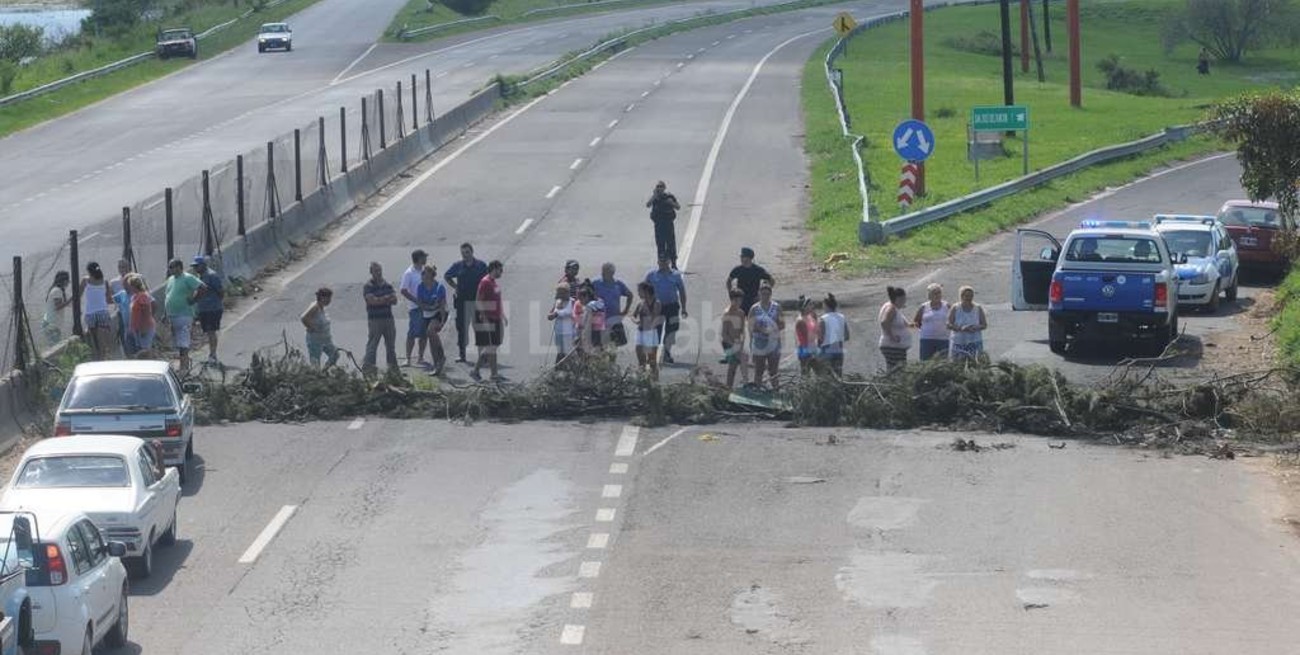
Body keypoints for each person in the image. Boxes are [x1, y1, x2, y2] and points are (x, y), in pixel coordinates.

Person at [444, 243, 489, 364]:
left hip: (477, 302)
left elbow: (488, 281)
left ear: (472, 252)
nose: (465, 255)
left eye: (467, 252)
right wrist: (456, 287)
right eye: (463, 253)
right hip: (462, 302)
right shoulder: (458, 266)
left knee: (479, 328)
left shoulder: (481, 265)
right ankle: (462, 355)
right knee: (462, 329)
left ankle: (483, 355)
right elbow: (447, 276)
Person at [164, 258, 206, 371]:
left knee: (183, 342)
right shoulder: (171, 279)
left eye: (172, 267)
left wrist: (193, 300)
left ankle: (184, 367)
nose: (170, 269)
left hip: (184, 314)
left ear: (179, 267)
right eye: (169, 267)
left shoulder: (187, 278)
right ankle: (181, 365)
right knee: (177, 342)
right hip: (172, 315)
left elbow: (202, 288)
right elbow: (168, 296)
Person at [645, 257, 687, 364]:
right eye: (660, 261)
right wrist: (646, 305)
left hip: (672, 306)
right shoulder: (651, 275)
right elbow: (644, 290)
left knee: (671, 331)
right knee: (655, 332)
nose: (662, 263)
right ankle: (652, 355)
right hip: (657, 307)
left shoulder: (676, 275)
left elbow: (682, 291)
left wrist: (684, 308)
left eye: (665, 261)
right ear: (658, 262)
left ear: (669, 262)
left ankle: (667, 353)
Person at [472, 260, 507, 382]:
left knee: (493, 346)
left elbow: (497, 300)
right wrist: (484, 317)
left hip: (496, 317)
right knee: (491, 347)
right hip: (489, 319)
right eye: (500, 270)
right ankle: (490, 373)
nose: (501, 272)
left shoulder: (493, 282)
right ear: (494, 268)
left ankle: (484, 372)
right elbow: (478, 301)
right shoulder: (485, 282)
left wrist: (502, 314)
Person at [362, 261, 400, 375]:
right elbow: (372, 301)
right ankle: (369, 368)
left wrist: (381, 299)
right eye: (376, 271)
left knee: (390, 345)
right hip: (375, 320)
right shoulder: (368, 286)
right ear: (371, 272)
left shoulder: (387, 284)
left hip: (388, 319)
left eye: (379, 270)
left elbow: (395, 300)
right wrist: (386, 298)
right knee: (373, 344)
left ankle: (393, 369)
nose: (378, 273)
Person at [748, 281, 784, 390]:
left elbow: (782, 324)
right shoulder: (754, 308)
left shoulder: (776, 307)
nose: (765, 296)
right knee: (759, 370)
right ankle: (757, 391)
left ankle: (776, 392)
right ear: (759, 294)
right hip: (759, 343)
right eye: (763, 294)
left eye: (767, 294)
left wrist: (773, 329)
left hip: (773, 343)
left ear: (771, 294)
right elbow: (750, 326)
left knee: (773, 370)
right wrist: (760, 329)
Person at [592, 263, 633, 350]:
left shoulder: (618, 284)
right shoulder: (596, 283)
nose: (603, 274)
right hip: (600, 319)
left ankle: (611, 362)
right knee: (599, 345)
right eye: (603, 272)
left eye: (606, 272)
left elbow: (630, 295)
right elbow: (585, 295)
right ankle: (601, 362)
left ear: (612, 273)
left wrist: (625, 310)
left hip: (614, 318)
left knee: (614, 344)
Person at [192, 256, 224, 365]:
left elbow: (220, 291)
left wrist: (215, 301)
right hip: (203, 308)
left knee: (211, 331)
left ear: (203, 265)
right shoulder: (199, 276)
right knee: (207, 331)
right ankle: (211, 353)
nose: (195, 268)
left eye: (197, 266)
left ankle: (213, 354)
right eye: (194, 266)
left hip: (213, 308)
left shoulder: (211, 275)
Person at [399, 249, 429, 367]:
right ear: (419, 259)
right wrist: (416, 301)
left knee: (424, 333)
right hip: (415, 308)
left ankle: (420, 357)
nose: (426, 259)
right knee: (412, 333)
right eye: (424, 257)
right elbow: (403, 290)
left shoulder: (425, 271)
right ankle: (408, 358)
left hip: (426, 306)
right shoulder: (409, 273)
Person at [417, 265, 448, 375]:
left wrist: (442, 322)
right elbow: (420, 304)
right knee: (431, 338)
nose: (421, 275)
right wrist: (428, 307)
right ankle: (437, 365)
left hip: (439, 313)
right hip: (427, 314)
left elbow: (442, 306)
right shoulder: (420, 286)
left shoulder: (439, 287)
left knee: (430, 331)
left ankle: (441, 356)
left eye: (424, 273)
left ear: (430, 275)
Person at [80, 262, 113, 361]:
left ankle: (97, 358)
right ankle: (104, 358)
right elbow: (108, 299)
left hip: (90, 314)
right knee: (104, 341)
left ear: (89, 271)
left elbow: (78, 294)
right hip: (103, 312)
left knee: (94, 341)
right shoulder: (105, 282)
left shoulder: (86, 280)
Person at [300, 287, 339, 368]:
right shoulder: (315, 307)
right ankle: (317, 377)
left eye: (330, 298)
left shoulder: (322, 308)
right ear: (321, 297)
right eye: (327, 298)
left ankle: (324, 372)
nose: (329, 301)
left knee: (335, 355)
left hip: (326, 340)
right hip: (315, 340)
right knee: (315, 363)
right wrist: (312, 328)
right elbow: (304, 318)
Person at [727, 247, 774, 313]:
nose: (741, 259)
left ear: (749, 258)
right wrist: (731, 294)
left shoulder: (758, 270)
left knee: (754, 320)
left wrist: (762, 293)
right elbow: (729, 281)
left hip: (754, 299)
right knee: (740, 319)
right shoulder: (737, 270)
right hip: (741, 300)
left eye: (743, 257)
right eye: (741, 257)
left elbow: (771, 280)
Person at [947, 285, 988, 362]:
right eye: (966, 296)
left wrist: (975, 327)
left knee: (974, 363)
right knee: (957, 364)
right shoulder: (955, 308)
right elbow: (948, 324)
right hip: (958, 342)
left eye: (971, 296)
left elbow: (984, 325)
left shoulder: (978, 308)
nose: (969, 298)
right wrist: (961, 328)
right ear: (961, 296)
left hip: (974, 341)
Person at [646, 181, 681, 268]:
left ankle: (673, 263)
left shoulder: (669, 196)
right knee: (660, 245)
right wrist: (654, 196)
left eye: (661, 187)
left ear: (664, 188)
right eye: (658, 187)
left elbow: (678, 207)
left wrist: (671, 203)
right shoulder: (655, 198)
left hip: (668, 224)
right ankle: (661, 263)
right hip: (658, 225)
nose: (659, 188)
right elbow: (648, 205)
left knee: (671, 244)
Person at [632, 281, 661, 381]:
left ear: (646, 291)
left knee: (652, 361)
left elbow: (655, 317)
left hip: (650, 334)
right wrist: (636, 321)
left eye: (640, 291)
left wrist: (645, 319)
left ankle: (655, 382)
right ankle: (642, 380)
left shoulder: (656, 303)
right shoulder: (640, 303)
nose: (638, 294)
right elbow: (633, 315)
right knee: (641, 359)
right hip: (640, 332)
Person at [878, 286, 912, 371]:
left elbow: (907, 324)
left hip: (896, 347)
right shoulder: (891, 308)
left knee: (896, 370)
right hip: (892, 346)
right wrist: (892, 337)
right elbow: (884, 322)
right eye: (903, 299)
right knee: (896, 371)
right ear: (898, 299)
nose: (904, 301)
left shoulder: (895, 308)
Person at [913, 283, 949, 361]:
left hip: (943, 339)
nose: (937, 295)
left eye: (939, 293)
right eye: (934, 293)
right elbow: (916, 321)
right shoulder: (924, 307)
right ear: (929, 295)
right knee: (925, 362)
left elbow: (953, 319)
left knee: (943, 362)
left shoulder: (947, 306)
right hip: (926, 339)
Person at [720, 288, 747, 389]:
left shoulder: (741, 313)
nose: (738, 303)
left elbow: (742, 330)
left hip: (737, 342)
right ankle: (745, 382)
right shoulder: (727, 314)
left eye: (740, 300)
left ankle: (728, 387)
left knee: (734, 366)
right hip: (728, 343)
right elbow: (724, 334)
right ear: (731, 300)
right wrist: (733, 345)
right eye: (736, 300)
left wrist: (742, 340)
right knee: (743, 358)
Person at [817, 292, 849, 377]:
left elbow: (821, 338)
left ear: (825, 305)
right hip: (839, 349)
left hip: (826, 350)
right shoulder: (842, 317)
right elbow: (846, 336)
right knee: (838, 375)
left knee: (826, 377)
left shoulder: (823, 319)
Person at [547, 283, 577, 364]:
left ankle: (571, 370)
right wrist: (552, 315)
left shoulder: (573, 302)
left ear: (567, 292)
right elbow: (549, 316)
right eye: (559, 293)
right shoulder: (558, 302)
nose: (561, 295)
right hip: (559, 333)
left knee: (568, 354)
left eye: (562, 293)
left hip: (569, 333)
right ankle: (559, 371)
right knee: (560, 353)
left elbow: (574, 314)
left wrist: (559, 313)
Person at [126, 273, 156, 355]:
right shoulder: (134, 297)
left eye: (130, 285)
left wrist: (144, 328)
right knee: (140, 348)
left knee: (145, 349)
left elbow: (146, 313)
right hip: (137, 328)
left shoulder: (143, 296)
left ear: (133, 286)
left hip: (144, 328)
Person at [42, 271, 71, 346]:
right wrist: (70, 301)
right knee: (55, 348)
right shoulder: (57, 291)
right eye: (68, 281)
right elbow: (58, 306)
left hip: (52, 324)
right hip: (52, 325)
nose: (68, 283)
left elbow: (66, 303)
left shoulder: (58, 290)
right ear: (64, 281)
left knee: (54, 347)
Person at [578, 284, 606, 354]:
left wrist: (583, 337)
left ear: (586, 297)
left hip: (593, 333)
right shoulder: (600, 303)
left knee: (593, 352)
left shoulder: (589, 307)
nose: (580, 302)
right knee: (600, 350)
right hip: (602, 330)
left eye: (581, 299)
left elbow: (586, 324)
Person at [794, 296, 818, 376]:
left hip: (812, 347)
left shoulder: (810, 316)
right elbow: (808, 336)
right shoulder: (801, 321)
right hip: (805, 349)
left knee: (819, 372)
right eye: (810, 305)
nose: (812, 306)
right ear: (804, 307)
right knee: (805, 373)